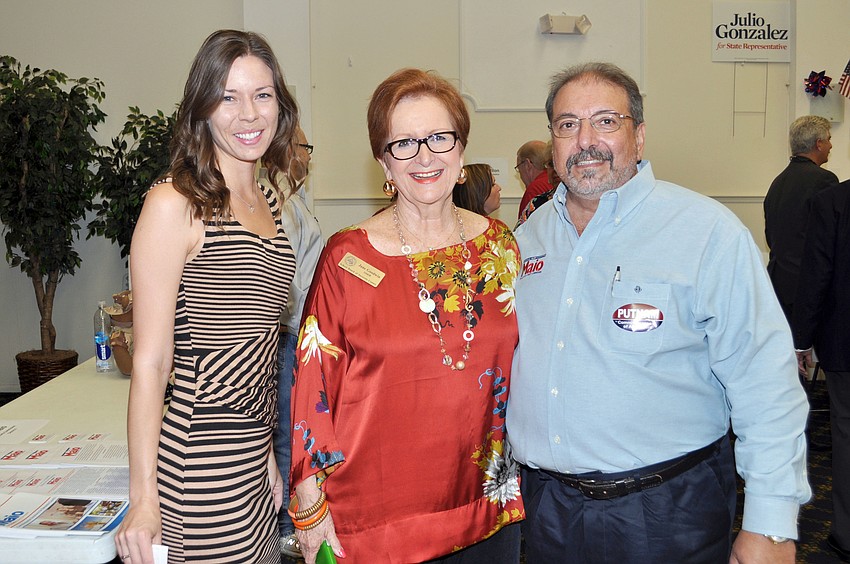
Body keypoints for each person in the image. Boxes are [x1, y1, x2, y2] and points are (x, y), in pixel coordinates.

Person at [507, 62, 810, 563]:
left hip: (668, 512)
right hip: (548, 513)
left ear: (639, 136)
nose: (585, 139)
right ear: (552, 143)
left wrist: (771, 526)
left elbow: (765, 381)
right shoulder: (525, 242)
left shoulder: (705, 231)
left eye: (606, 121)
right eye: (567, 124)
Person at [289, 68, 524, 564]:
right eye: (404, 143)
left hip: (487, 510)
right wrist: (310, 507)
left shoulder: (500, 247)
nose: (424, 156)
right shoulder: (347, 258)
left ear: (461, 151)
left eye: (439, 137)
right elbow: (312, 390)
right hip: (375, 524)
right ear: (383, 160)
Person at [115, 30, 299, 564]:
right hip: (200, 476)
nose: (249, 114)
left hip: (254, 469)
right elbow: (149, 363)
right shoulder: (176, 202)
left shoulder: (266, 199)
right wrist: (143, 500)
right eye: (228, 97)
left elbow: (260, 349)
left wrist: (266, 454)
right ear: (202, 107)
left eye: (262, 95)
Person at [269, 125, 323, 560]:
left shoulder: (295, 200)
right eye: (305, 146)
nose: (309, 154)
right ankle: (288, 530)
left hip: (296, 333)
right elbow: (280, 278)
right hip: (287, 334)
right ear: (288, 150)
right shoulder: (281, 205)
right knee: (288, 437)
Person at [792, 179, 850, 562]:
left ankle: (846, 535)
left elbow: (816, 275)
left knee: (846, 439)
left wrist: (801, 340)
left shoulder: (834, 201)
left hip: (846, 343)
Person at [764, 115, 837, 324]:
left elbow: (771, 236)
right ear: (819, 144)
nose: (831, 145)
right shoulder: (824, 180)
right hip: (810, 285)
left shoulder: (777, 183)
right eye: (829, 139)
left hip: (780, 283)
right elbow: (831, 236)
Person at [516, 140, 553, 217]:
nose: (521, 176)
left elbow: (526, 226)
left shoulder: (534, 188)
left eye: (519, 169)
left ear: (527, 164)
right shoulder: (559, 182)